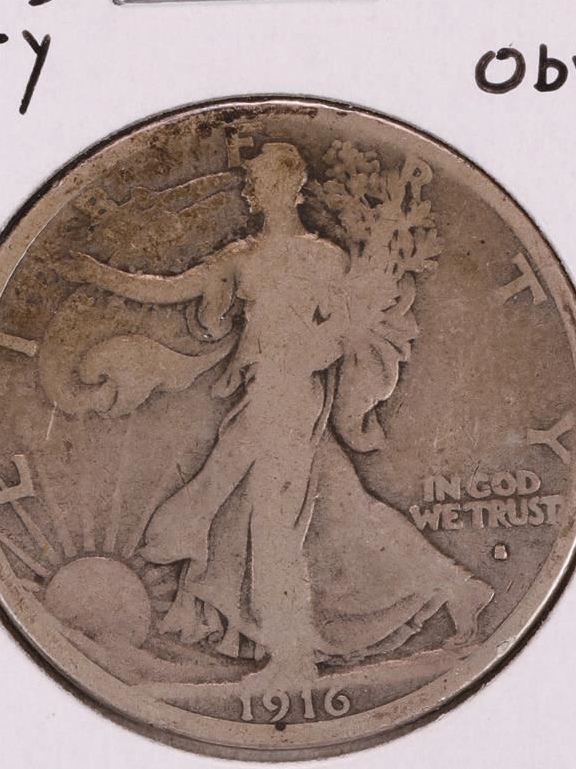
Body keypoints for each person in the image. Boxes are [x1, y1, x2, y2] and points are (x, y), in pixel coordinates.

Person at [55, 143, 493, 686]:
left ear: (289, 185)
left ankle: (292, 658)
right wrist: (97, 275)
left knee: (270, 528)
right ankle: (457, 589)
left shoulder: (322, 259)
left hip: (290, 399)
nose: (250, 188)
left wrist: (301, 356)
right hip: (262, 398)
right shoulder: (242, 257)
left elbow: (342, 333)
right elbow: (170, 289)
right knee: (344, 512)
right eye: (251, 180)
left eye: (259, 178)